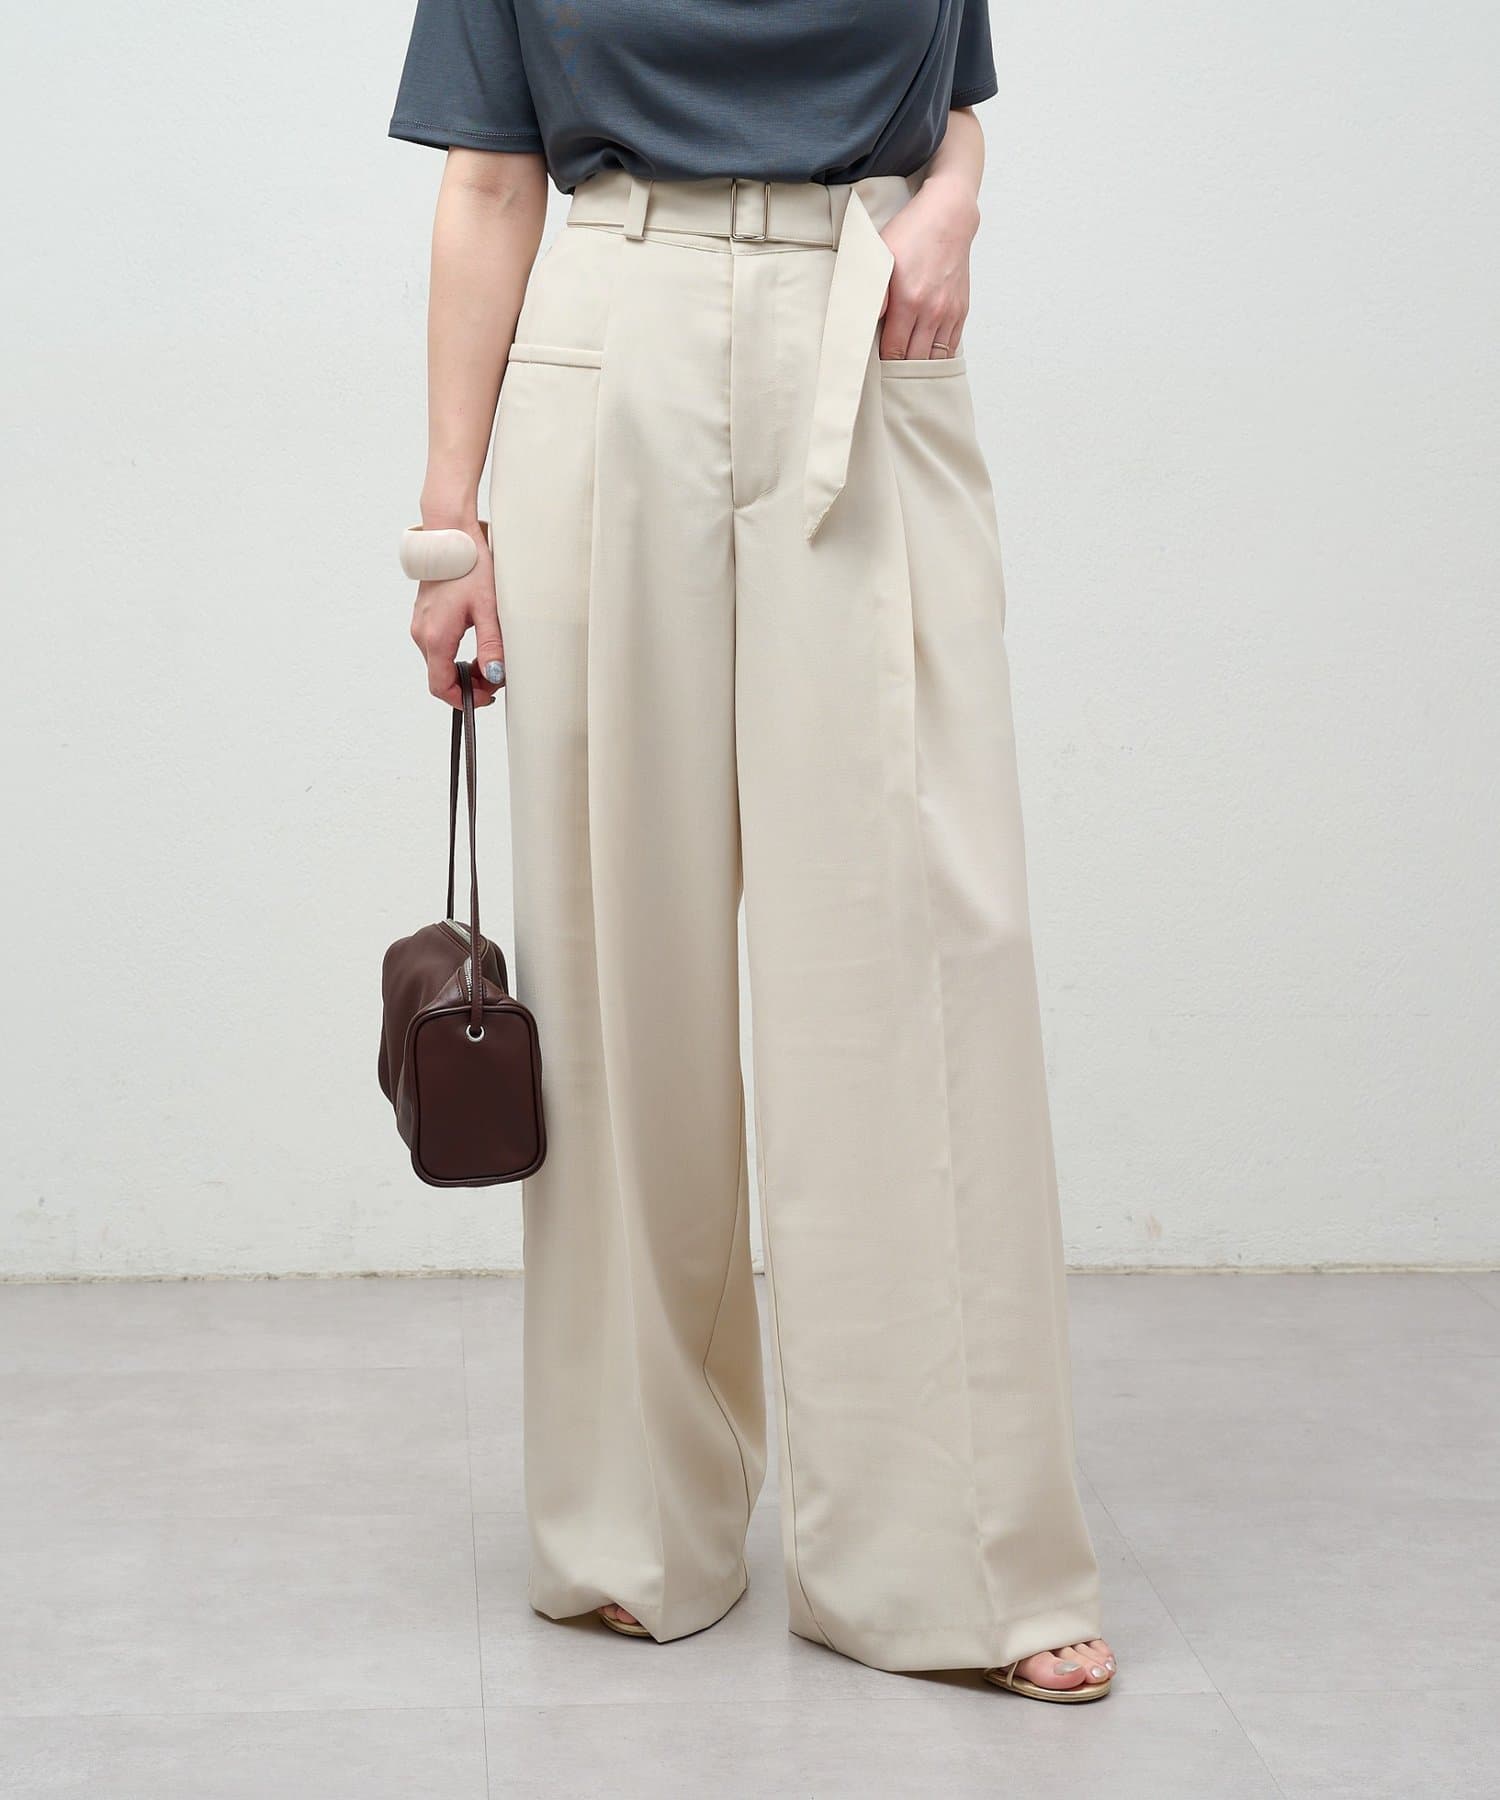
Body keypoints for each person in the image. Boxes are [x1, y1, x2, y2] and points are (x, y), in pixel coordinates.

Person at [390, 0, 1116, 1701]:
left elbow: (953, 104)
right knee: (614, 947)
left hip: (858, 323)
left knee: (918, 951)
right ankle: (636, 1521)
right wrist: (448, 522)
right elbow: (489, 181)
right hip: (607, 326)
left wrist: (953, 203)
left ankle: (959, 1559)